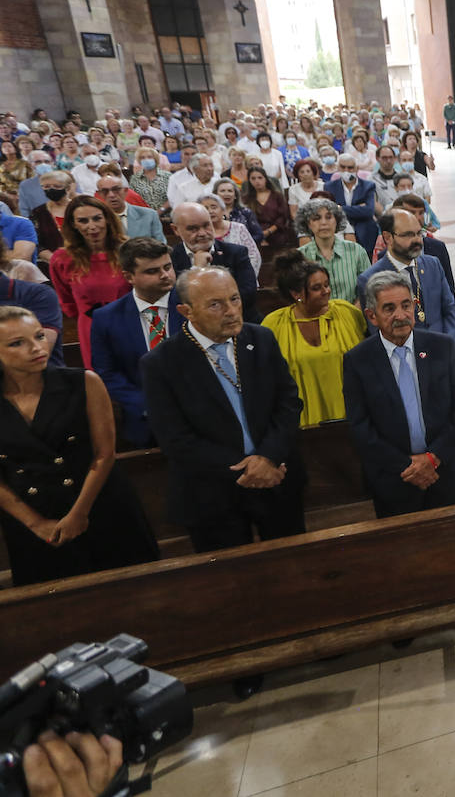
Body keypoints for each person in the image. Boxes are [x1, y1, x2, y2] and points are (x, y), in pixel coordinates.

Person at [141, 266, 306, 589]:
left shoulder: (260, 338)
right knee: (233, 585)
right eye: (215, 304)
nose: (231, 311)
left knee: (293, 572)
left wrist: (268, 458)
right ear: (185, 311)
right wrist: (248, 470)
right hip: (212, 494)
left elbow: (288, 404)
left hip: (278, 478)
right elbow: (176, 440)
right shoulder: (162, 363)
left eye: (234, 299)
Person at [0, 306, 158, 587]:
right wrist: (36, 523)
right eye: (17, 343)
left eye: (39, 336)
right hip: (35, 518)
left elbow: (104, 453)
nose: (37, 348)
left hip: (99, 505)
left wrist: (78, 514)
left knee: (135, 594)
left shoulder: (83, 381)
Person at [343, 271, 455, 518]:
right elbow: (361, 426)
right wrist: (408, 467)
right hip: (394, 479)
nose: (400, 316)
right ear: (372, 316)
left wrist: (433, 458)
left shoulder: (442, 347)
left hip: (443, 470)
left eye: (406, 305)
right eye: (389, 308)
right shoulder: (357, 361)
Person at [89, 237, 182, 447]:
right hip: (146, 419)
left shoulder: (193, 305)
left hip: (202, 413)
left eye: (167, 267)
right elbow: (107, 373)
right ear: (129, 276)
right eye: (152, 271)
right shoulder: (106, 318)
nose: (165, 275)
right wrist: (150, 405)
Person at [262, 250, 366, 426]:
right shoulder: (274, 325)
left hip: (353, 414)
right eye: (317, 288)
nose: (326, 291)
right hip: (301, 420)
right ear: (296, 294)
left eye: (327, 284)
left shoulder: (347, 312)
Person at [49, 196, 131, 369]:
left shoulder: (128, 250)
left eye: (97, 218)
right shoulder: (62, 259)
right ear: (73, 224)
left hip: (129, 324)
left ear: (107, 219)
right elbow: (67, 302)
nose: (91, 226)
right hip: (92, 328)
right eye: (83, 221)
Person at [356, 209, 455, 342]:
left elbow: (450, 308)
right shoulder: (370, 278)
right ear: (388, 238)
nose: (417, 240)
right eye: (408, 235)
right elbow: (378, 330)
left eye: (419, 233)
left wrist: (449, 344)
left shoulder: (432, 264)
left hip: (442, 349)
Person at [169, 202, 260, 323]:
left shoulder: (235, 252)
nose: (202, 233)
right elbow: (174, 300)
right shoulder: (170, 259)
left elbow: (248, 295)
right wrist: (196, 269)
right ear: (176, 229)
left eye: (206, 225)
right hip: (190, 326)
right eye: (193, 229)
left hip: (240, 322)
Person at [298, 197, 371, 306]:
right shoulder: (300, 257)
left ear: (337, 221)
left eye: (328, 217)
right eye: (316, 218)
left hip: (353, 316)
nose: (323, 223)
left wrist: (352, 313)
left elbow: (368, 289)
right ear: (308, 224)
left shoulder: (356, 251)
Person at [326, 154, 379, 254]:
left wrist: (340, 208)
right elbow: (331, 211)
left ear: (357, 168)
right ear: (338, 167)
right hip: (339, 230)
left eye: (350, 168)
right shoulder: (330, 187)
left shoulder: (368, 186)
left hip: (365, 231)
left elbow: (368, 211)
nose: (346, 170)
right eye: (343, 167)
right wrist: (357, 209)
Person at [94, 175, 162, 242]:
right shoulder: (96, 220)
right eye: (105, 191)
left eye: (116, 190)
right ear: (99, 194)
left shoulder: (149, 215)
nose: (111, 195)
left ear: (125, 191)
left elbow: (161, 245)